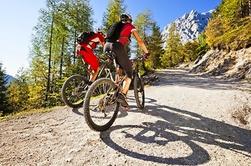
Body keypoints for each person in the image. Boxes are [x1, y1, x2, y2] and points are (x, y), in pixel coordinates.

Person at [104, 13, 149, 107]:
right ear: (129, 20)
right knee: (129, 73)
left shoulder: (116, 26)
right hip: (117, 47)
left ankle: (115, 90)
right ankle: (122, 95)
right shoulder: (129, 26)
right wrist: (146, 52)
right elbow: (140, 41)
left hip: (106, 46)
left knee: (119, 68)